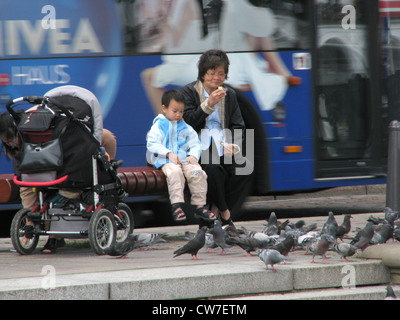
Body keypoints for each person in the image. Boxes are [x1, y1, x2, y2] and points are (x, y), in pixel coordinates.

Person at [0, 112, 117, 252]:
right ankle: (39, 228)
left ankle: (55, 237)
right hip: (44, 174)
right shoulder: (20, 149)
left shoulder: (42, 128)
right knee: (28, 188)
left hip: (67, 169)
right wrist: (29, 221)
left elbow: (106, 137)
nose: (11, 144)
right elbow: (22, 175)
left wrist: (104, 162)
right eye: (6, 142)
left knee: (106, 137)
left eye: (10, 139)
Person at [182, 49, 254, 227]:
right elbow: (189, 122)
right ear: (203, 73)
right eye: (211, 73)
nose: (216, 78)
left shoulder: (229, 94)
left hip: (224, 143)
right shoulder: (189, 92)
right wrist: (208, 104)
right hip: (198, 143)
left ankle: (213, 208)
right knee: (213, 168)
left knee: (246, 168)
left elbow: (238, 125)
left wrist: (234, 146)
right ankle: (224, 212)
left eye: (221, 74)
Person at [146, 89, 215, 223]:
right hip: (166, 160)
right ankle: (176, 205)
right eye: (175, 111)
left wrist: (193, 155)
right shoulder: (159, 125)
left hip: (184, 159)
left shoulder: (185, 126)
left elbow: (195, 143)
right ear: (164, 109)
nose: (178, 115)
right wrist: (168, 153)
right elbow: (152, 143)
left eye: (181, 111)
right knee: (175, 172)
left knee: (198, 172)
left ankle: (200, 206)